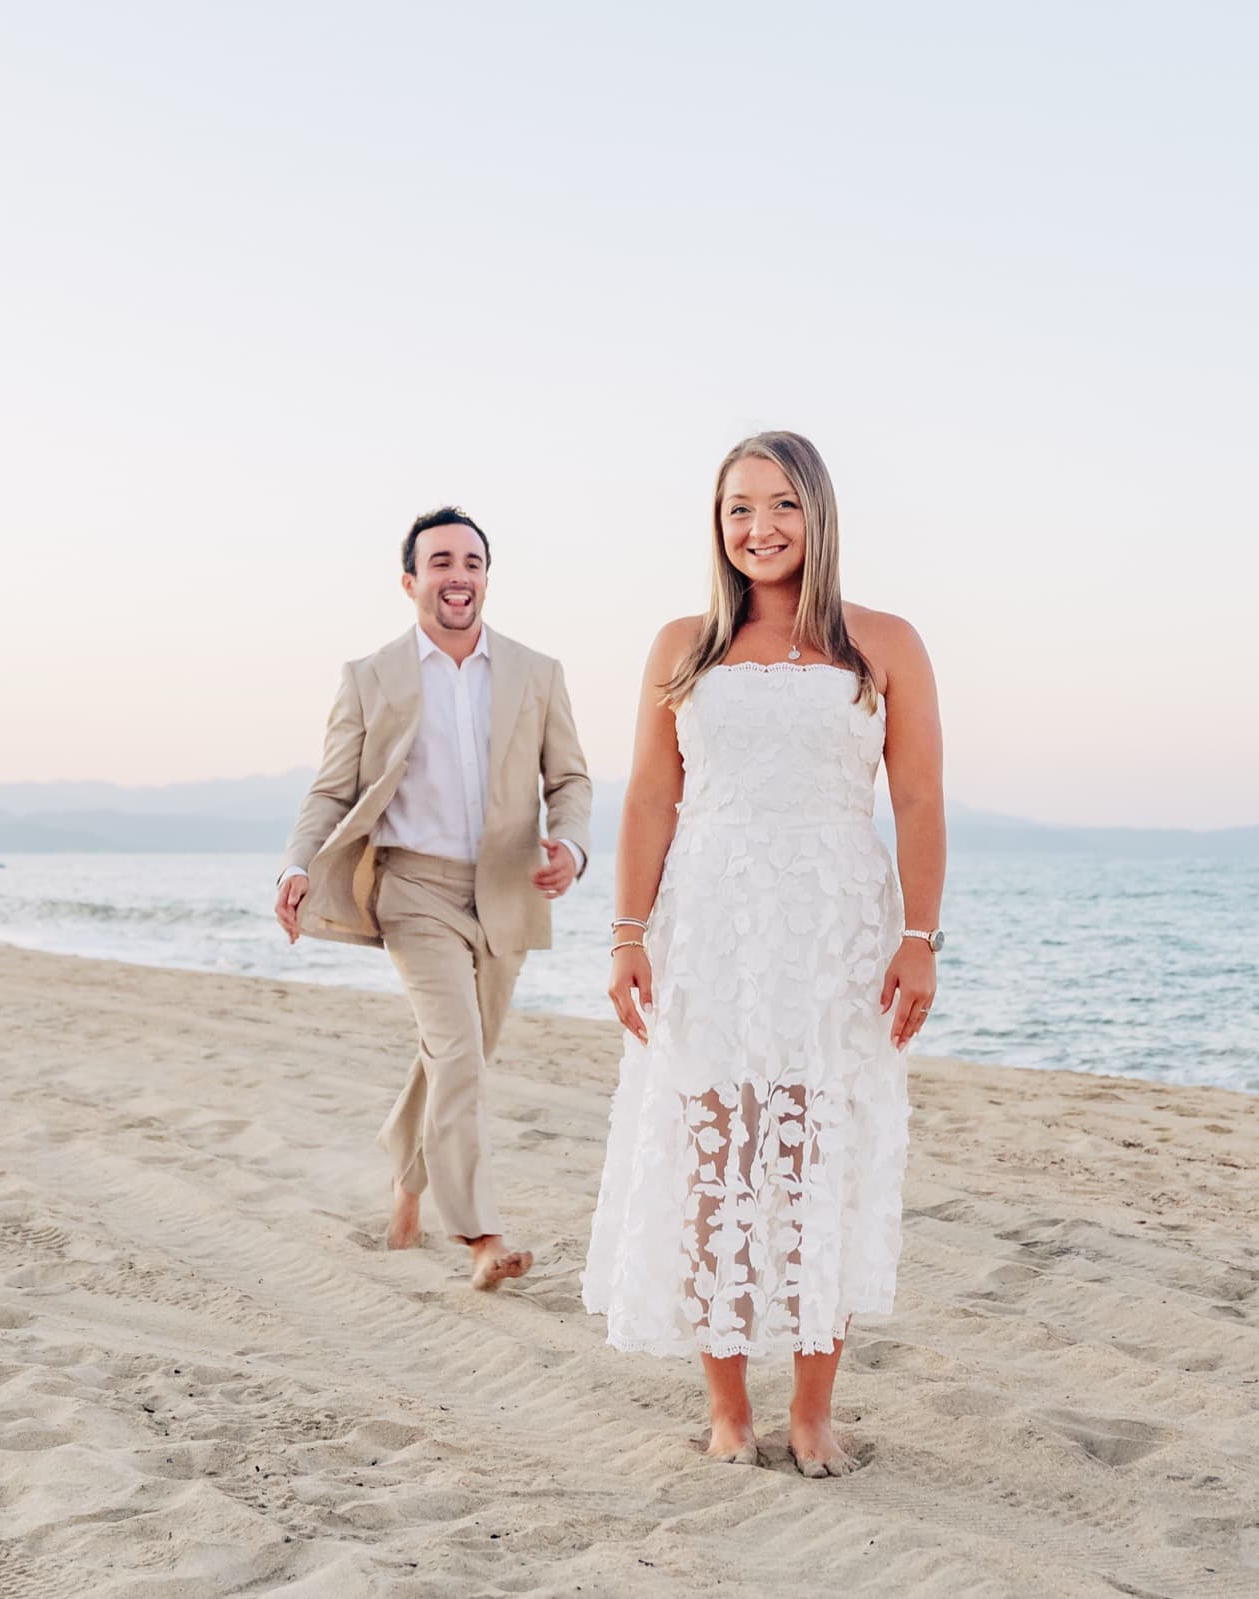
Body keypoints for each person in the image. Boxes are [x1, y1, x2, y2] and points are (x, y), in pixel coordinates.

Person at [581, 431, 946, 1477]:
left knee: (818, 1160)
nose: (759, 529)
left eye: (779, 505)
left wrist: (919, 942)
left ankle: (815, 1410)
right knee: (717, 1167)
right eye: (738, 509)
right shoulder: (682, 645)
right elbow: (653, 797)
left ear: (818, 513)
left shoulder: (885, 642)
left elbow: (918, 800)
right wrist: (625, 936)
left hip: (839, 934)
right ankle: (728, 1408)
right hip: (711, 932)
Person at [276, 507, 592, 1291]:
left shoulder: (536, 671)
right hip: (412, 888)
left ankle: (407, 1181)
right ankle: (481, 1234)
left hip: (506, 891)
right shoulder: (370, 675)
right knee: (458, 1055)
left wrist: (574, 846)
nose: (460, 575)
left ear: (487, 575)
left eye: (473, 561)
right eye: (442, 561)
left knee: (461, 1056)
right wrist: (296, 863)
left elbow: (571, 780)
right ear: (411, 579)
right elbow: (332, 788)